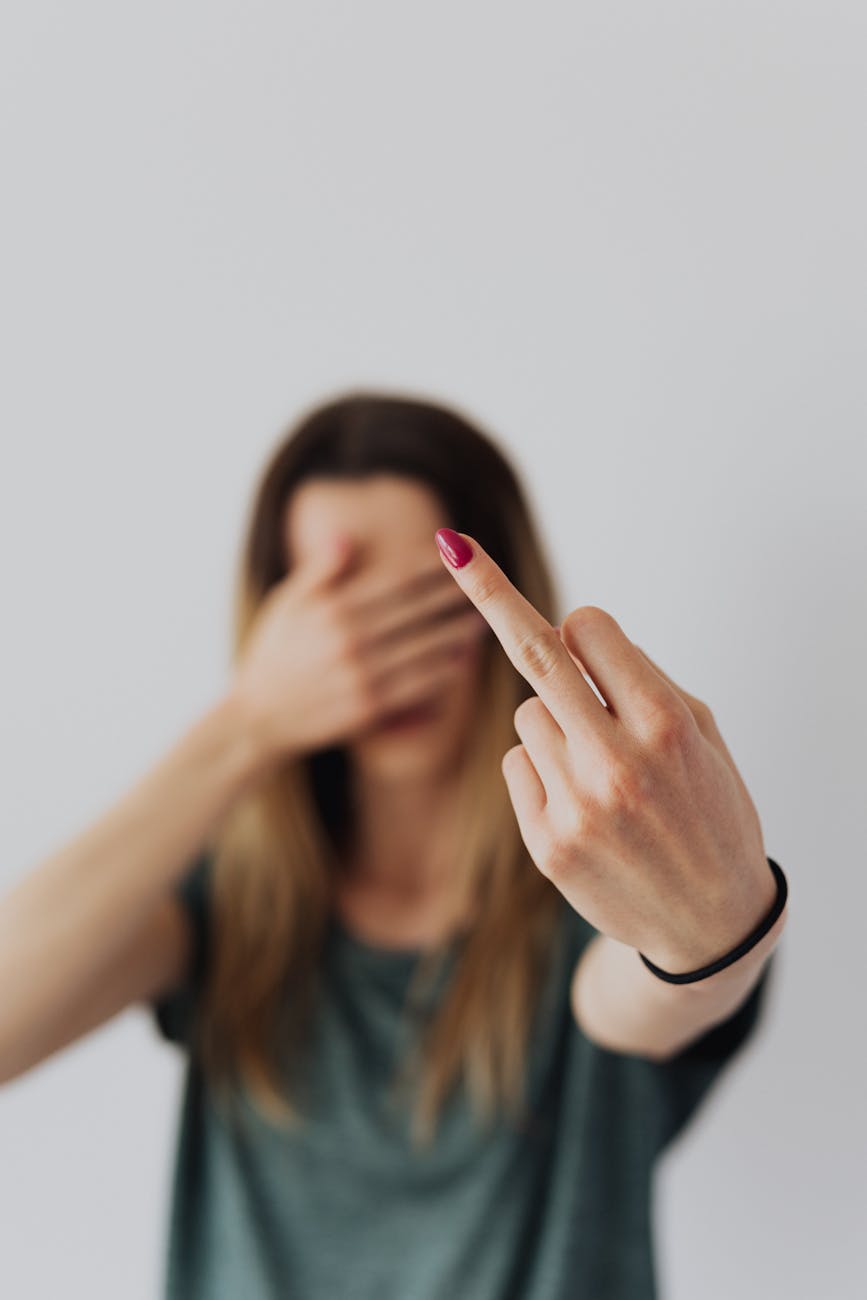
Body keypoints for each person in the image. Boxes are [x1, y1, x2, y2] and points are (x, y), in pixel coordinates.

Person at [0, 390, 789, 1299]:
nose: (381, 655)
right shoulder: (227, 899)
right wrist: (247, 724)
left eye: (423, 599)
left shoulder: (590, 878)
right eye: (339, 608)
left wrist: (714, 926)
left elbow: (653, 989)